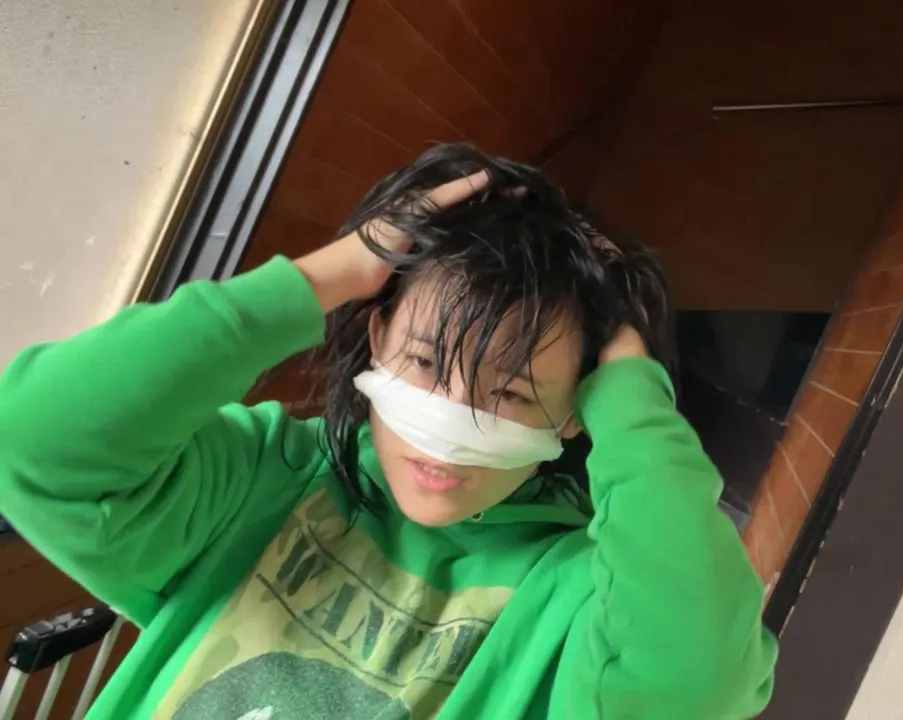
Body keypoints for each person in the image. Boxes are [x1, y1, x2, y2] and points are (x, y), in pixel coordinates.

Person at [0, 144, 777, 718]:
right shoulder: (267, 479)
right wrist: (326, 274)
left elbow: (697, 681)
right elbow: (35, 442)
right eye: (427, 362)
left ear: (576, 410)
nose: (448, 428)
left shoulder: (578, 597)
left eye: (510, 391)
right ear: (377, 338)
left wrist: (635, 396)